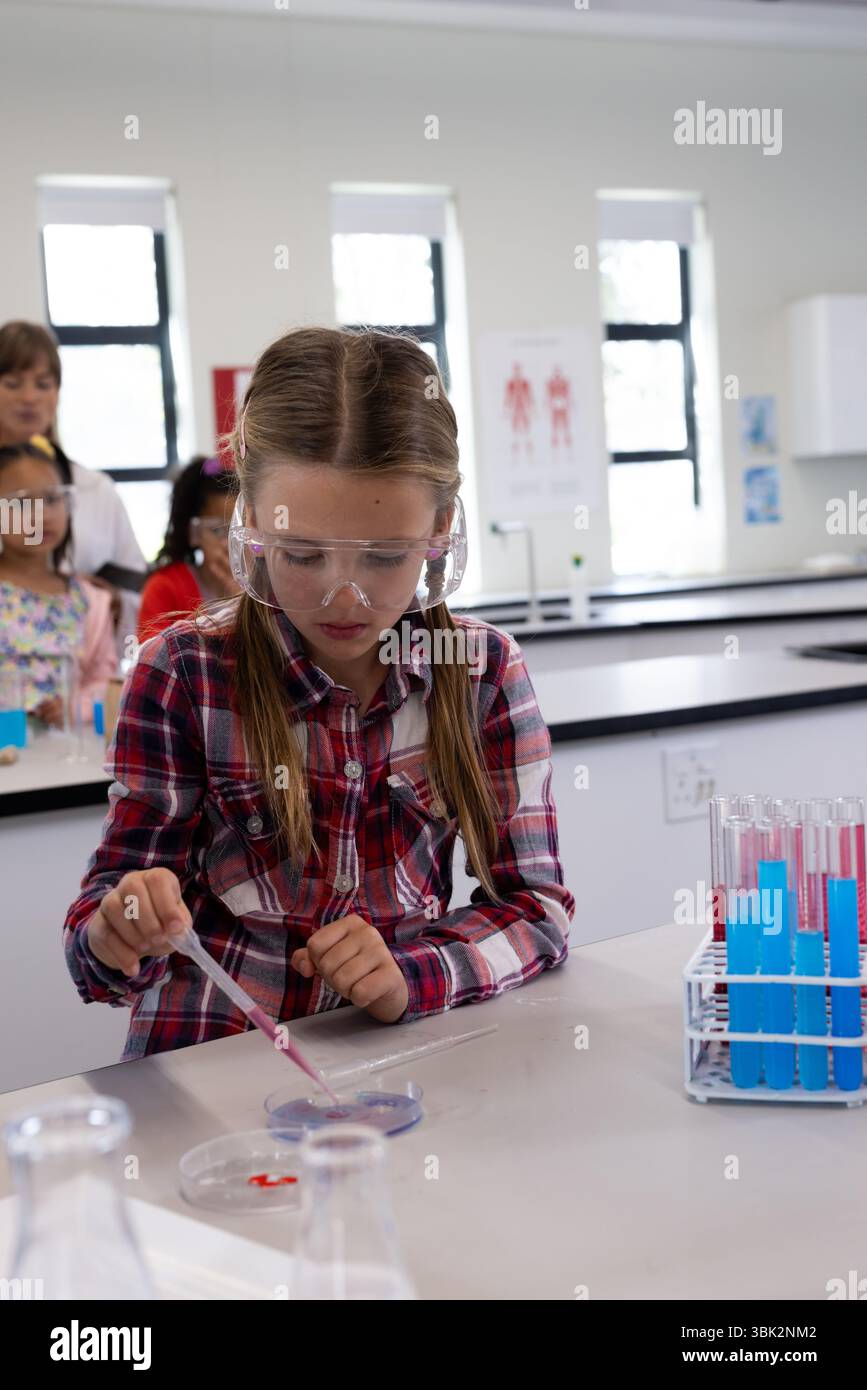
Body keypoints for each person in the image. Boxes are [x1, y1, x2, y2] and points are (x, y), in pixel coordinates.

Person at [63, 327, 575, 1061]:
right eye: (301, 554)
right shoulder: (183, 672)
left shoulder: (480, 671)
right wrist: (118, 930)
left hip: (394, 1074)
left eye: (386, 557)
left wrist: (410, 975)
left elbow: (536, 910)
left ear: (437, 531)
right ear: (248, 523)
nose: (344, 595)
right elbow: (97, 955)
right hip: (209, 1069)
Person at [0, 321, 147, 640]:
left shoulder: (94, 488)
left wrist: (109, 600)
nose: (29, 397)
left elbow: (137, 587)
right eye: (12, 384)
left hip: (85, 659)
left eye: (43, 384)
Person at [0, 438, 117, 725]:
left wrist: (76, 707)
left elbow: (105, 679)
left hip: (71, 760)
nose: (43, 514)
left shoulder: (90, 599)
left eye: (52, 499)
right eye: (23, 502)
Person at [137, 456, 239, 641]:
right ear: (194, 533)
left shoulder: (262, 590)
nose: (228, 542)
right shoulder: (164, 588)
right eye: (217, 530)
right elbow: (151, 661)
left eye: (238, 528)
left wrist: (243, 603)